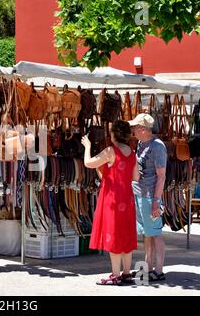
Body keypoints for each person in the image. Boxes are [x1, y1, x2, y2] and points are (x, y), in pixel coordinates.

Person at [81, 120, 139, 285]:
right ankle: (126, 273)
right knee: (126, 233)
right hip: (127, 198)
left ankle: (115, 275)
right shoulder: (132, 152)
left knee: (113, 234)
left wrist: (87, 147)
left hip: (112, 198)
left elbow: (88, 163)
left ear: (114, 134)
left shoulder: (110, 151)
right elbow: (136, 177)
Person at [129, 113, 167, 281]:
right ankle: (148, 267)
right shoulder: (140, 144)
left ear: (142, 129)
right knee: (147, 233)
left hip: (151, 196)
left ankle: (158, 271)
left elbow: (162, 176)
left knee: (155, 233)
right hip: (141, 194)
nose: (132, 130)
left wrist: (156, 202)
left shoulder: (157, 147)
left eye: (134, 127)